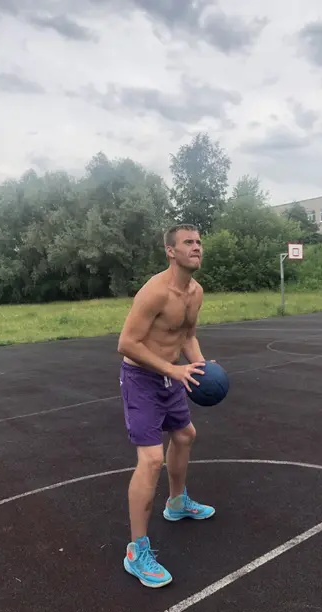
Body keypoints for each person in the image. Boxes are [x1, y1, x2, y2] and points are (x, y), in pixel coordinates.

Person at [117, 223, 215, 588]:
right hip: (141, 379)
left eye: (199, 242)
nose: (196, 247)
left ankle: (176, 503)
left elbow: (186, 335)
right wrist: (172, 369)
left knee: (185, 435)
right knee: (151, 459)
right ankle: (136, 551)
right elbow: (126, 343)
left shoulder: (196, 292)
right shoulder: (155, 292)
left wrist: (200, 367)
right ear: (170, 251)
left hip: (172, 375)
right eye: (188, 242)